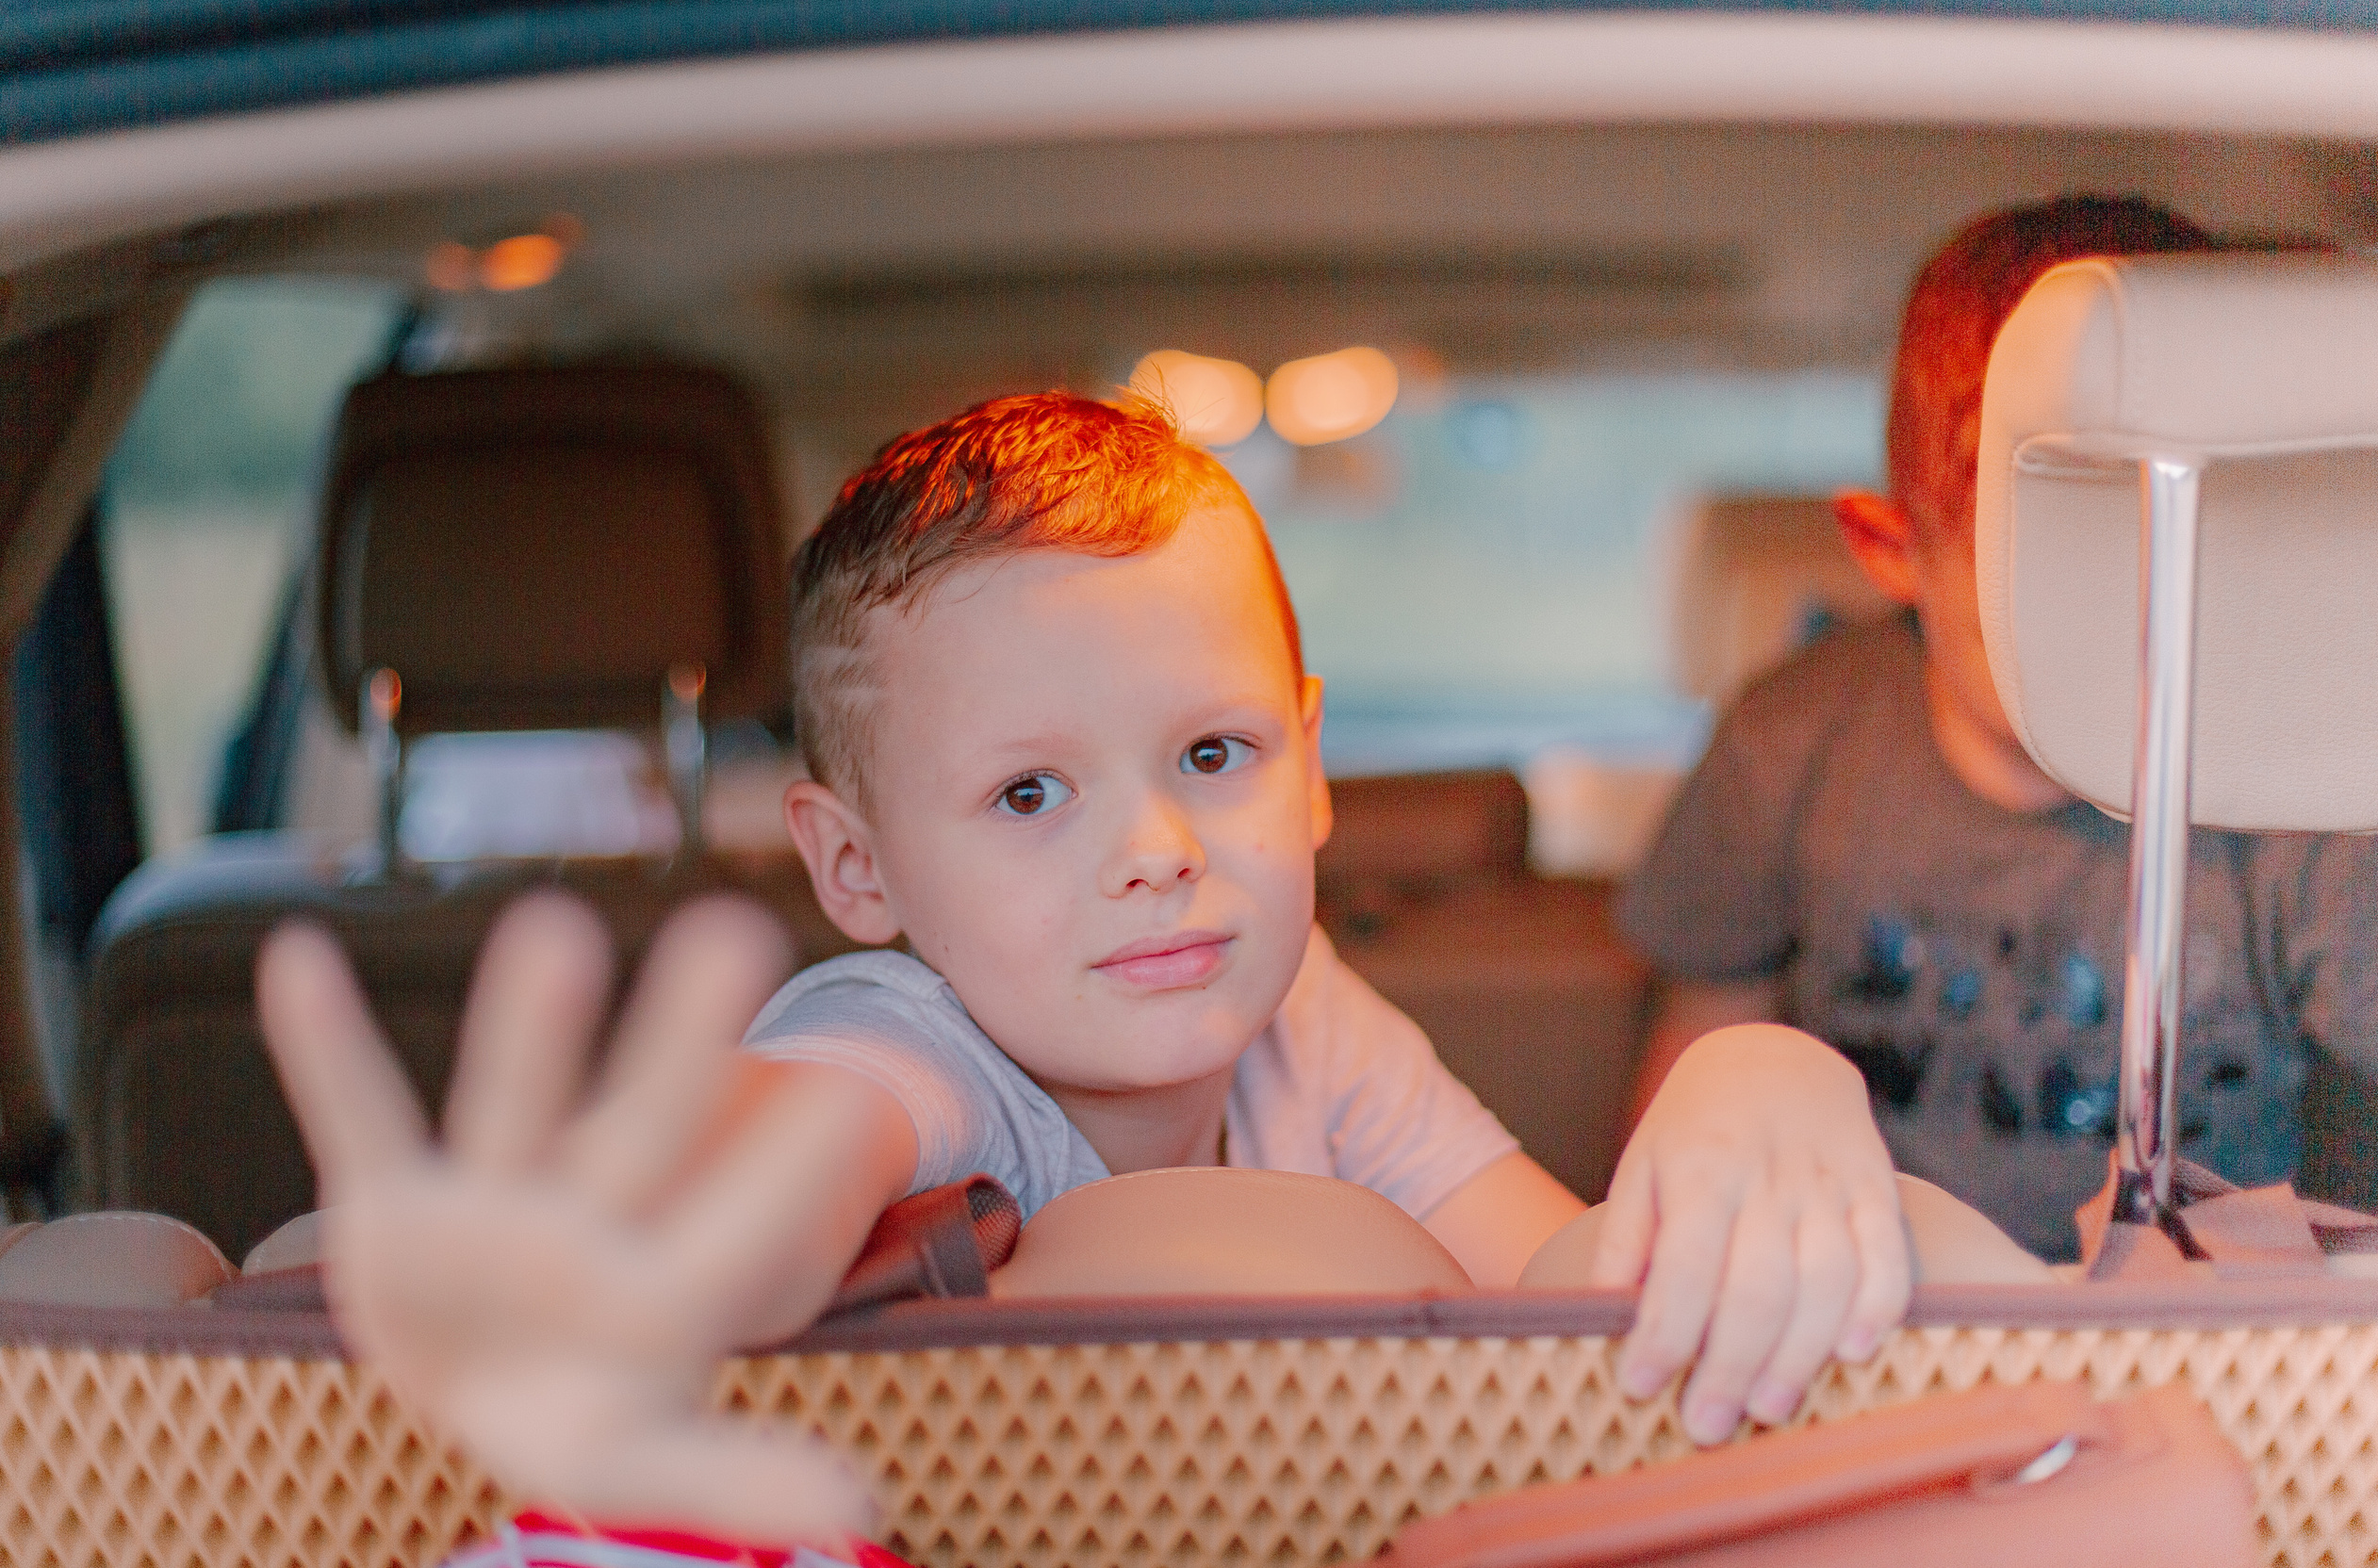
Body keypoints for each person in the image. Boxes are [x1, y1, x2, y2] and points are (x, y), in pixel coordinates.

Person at [255, 391, 1911, 1544]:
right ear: (857, 866)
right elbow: (784, 1158)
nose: (1158, 848)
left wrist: (1752, 1076)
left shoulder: (1307, 1016)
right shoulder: (910, 1039)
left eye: (1214, 752)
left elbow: (1566, 1308)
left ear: (1312, 766)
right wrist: (633, 1252)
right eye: (1030, 794)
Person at [1619, 196, 2378, 1261]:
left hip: (2189, 1334)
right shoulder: (1798, 742)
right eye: (2051, 598)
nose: (2136, 643)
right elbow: (1690, 1096)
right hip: (1875, 1314)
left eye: (2177, 578)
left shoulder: (2296, 784)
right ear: (1892, 550)